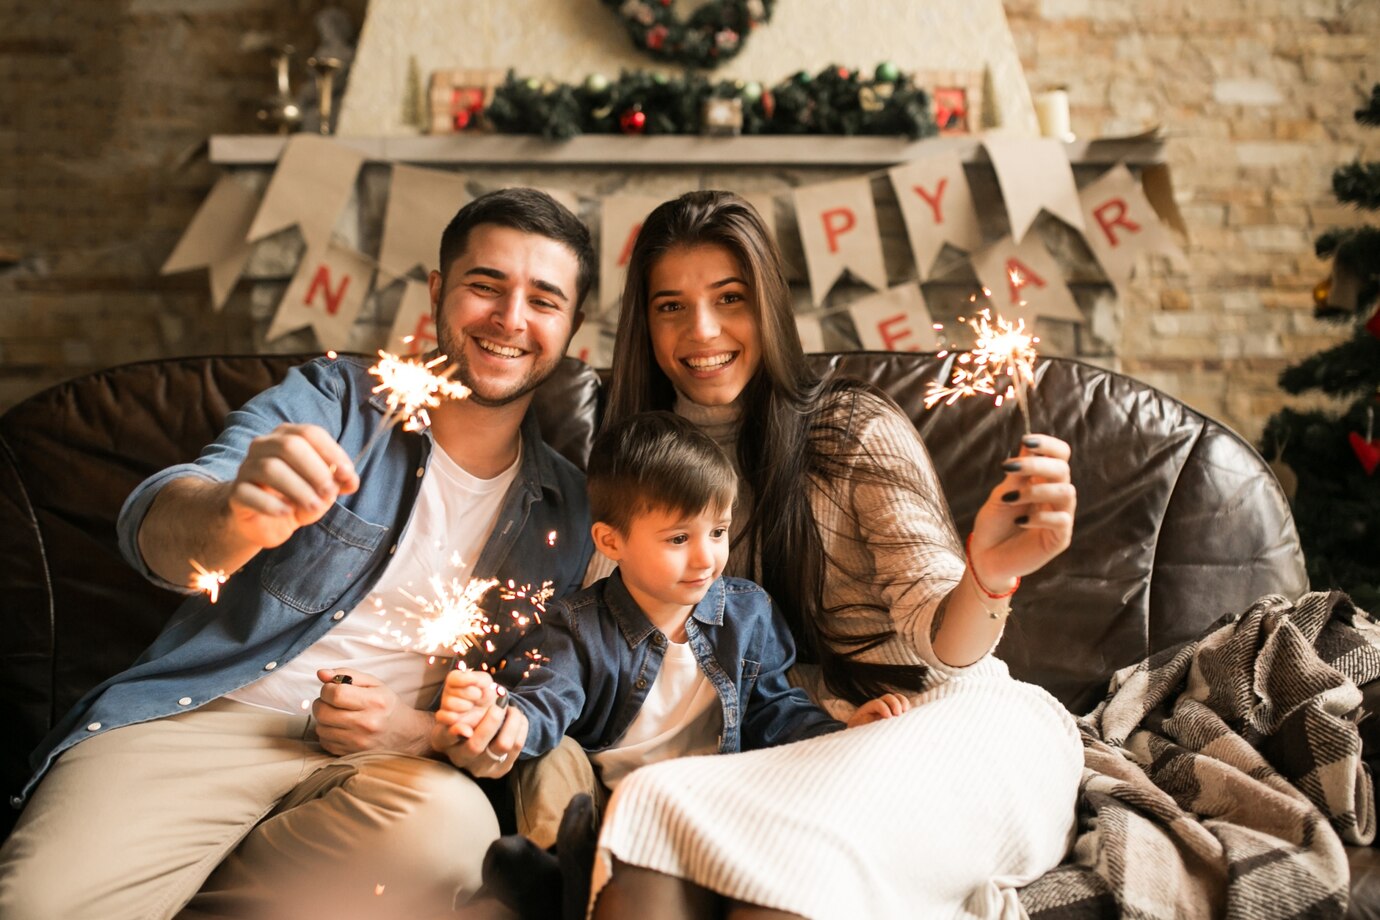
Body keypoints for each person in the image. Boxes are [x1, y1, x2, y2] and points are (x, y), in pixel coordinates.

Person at [0, 187, 597, 920]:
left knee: (452, 833)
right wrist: (234, 511)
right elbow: (156, 528)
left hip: (388, 761)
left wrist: (420, 730)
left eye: (543, 299)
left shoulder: (572, 510)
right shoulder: (335, 399)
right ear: (439, 293)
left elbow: (531, 695)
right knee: (37, 906)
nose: (510, 319)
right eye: (486, 285)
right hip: (210, 719)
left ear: (572, 329)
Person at [587, 190, 1084, 920]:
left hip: (942, 718)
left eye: (730, 298)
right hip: (795, 751)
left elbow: (945, 647)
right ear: (645, 323)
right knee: (648, 815)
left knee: (764, 874)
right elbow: (614, 652)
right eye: (670, 306)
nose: (702, 330)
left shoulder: (848, 428)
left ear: (769, 304)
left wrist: (988, 573)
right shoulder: (628, 465)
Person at [433, 412, 909, 917]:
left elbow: (776, 710)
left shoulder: (746, 613)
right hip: (609, 810)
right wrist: (502, 712)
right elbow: (545, 702)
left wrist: (841, 733)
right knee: (553, 758)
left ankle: (566, 889)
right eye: (679, 539)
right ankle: (556, 866)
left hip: (707, 799)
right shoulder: (575, 626)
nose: (706, 558)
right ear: (611, 542)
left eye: (719, 531)